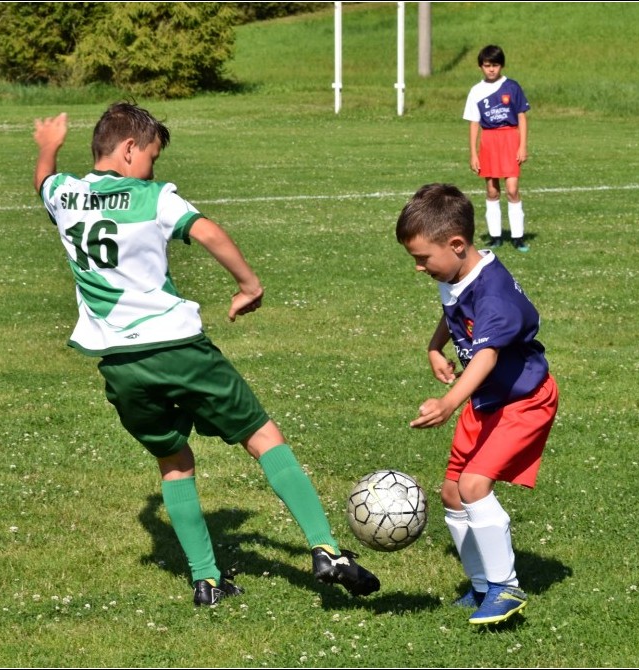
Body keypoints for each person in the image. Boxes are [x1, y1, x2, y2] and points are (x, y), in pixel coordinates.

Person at [32, 102, 380, 608]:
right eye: (151, 155)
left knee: (174, 463)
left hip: (121, 367)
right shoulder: (153, 197)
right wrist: (248, 283)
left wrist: (48, 147)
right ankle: (327, 548)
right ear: (130, 150)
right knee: (263, 437)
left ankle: (207, 581)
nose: (153, 167)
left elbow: (43, 180)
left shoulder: (66, 195)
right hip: (178, 347)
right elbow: (208, 231)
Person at [395, 183, 558, 625]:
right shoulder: (458, 272)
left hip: (523, 400)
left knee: (473, 487)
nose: (418, 267)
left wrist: (449, 401)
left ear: (457, 244)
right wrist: (434, 346)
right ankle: (482, 584)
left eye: (422, 258)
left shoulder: (495, 294)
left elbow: (486, 355)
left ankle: (507, 589)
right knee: (451, 492)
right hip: (486, 400)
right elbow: (453, 310)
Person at [463, 44, 532, 252]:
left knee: (512, 189)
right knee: (492, 190)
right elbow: (474, 124)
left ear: (501, 65)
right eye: (487, 65)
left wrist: (522, 145)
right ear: (481, 67)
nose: (491, 69)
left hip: (510, 139)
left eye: (495, 65)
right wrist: (474, 153)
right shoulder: (476, 91)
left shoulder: (512, 87)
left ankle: (518, 237)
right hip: (489, 141)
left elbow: (521, 116)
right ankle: (495, 236)